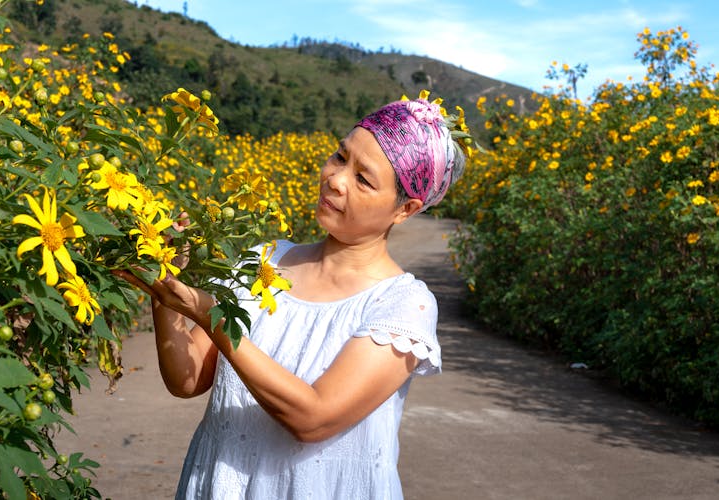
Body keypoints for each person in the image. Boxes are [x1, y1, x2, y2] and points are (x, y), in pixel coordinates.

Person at [114, 92, 472, 499]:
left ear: (405, 209)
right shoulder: (262, 260)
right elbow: (187, 378)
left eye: (363, 179)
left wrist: (211, 314)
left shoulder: (403, 306)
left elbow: (314, 419)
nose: (335, 179)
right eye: (340, 157)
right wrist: (165, 285)